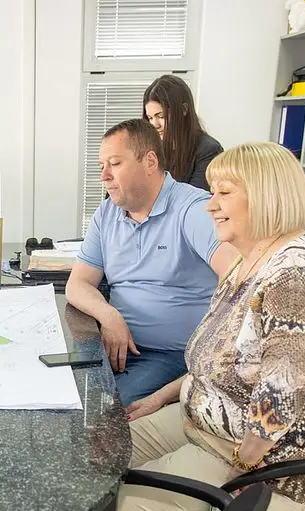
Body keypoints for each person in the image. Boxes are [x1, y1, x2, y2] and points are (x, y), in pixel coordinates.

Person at [116, 141, 305, 511]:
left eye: (224, 193)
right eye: (212, 193)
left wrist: (244, 472)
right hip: (207, 425)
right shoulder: (250, 262)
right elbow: (220, 361)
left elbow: (280, 399)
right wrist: (161, 397)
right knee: (103, 458)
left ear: (266, 196)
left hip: (275, 466)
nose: (211, 205)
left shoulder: (296, 277)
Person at [66, 118, 237, 406]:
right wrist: (109, 316)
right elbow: (78, 284)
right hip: (113, 343)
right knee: (61, 390)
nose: (104, 176)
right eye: (101, 166)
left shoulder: (192, 209)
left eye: (115, 164)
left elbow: (240, 280)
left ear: (149, 162)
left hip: (170, 354)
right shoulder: (106, 214)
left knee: (109, 408)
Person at [143, 74, 223, 191]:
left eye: (161, 116)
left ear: (184, 110)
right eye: (150, 118)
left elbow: (194, 199)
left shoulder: (208, 151)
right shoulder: (151, 149)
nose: (155, 125)